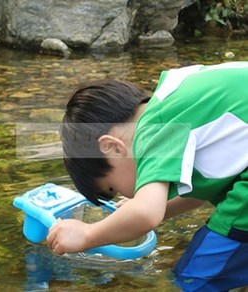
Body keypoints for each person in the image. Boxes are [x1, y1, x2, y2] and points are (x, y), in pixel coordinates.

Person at [46, 62, 248, 289]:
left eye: (112, 188)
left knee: (194, 278)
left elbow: (146, 214)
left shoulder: (153, 130)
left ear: (112, 147)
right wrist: (149, 208)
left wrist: (87, 235)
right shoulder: (174, 98)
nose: (123, 194)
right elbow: (200, 192)